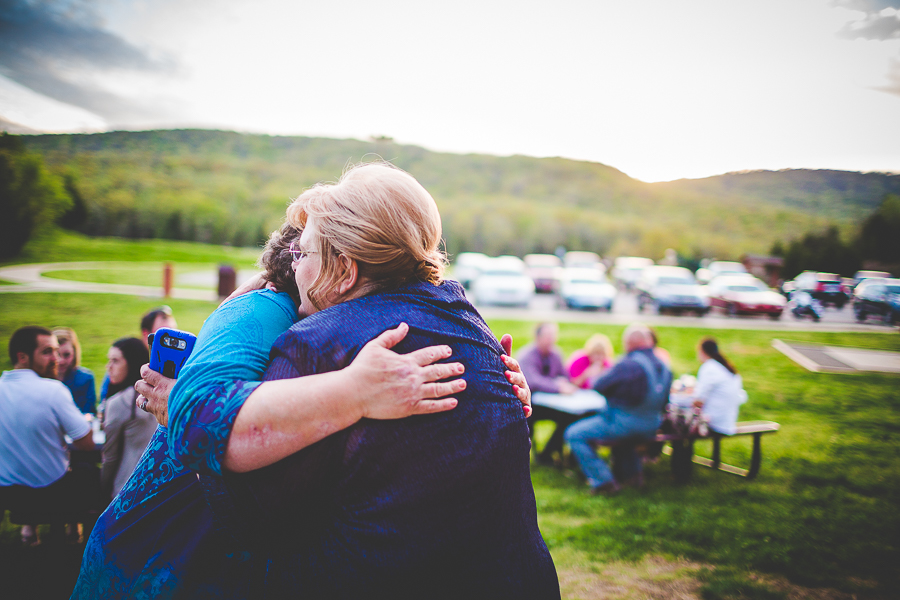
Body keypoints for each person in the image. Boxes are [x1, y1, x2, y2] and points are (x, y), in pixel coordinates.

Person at [72, 219, 531, 598]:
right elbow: (218, 433)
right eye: (306, 251)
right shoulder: (266, 315)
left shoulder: (339, 325)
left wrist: (490, 379)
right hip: (160, 550)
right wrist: (182, 407)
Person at [222, 162, 558, 598]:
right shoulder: (473, 326)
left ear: (345, 270)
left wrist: (180, 411)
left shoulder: (316, 345)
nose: (295, 269)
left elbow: (256, 524)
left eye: (303, 254)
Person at [0, 327, 96, 545]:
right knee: (88, 471)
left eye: (56, 351)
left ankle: (33, 532)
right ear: (22, 357)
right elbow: (87, 444)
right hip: (49, 491)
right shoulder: (53, 390)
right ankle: (76, 537)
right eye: (47, 352)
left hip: (7, 493)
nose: (56, 358)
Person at [564, 323, 672, 495]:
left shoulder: (629, 364)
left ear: (629, 343)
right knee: (626, 435)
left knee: (574, 434)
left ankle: (603, 481)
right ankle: (632, 476)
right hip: (652, 425)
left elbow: (599, 384)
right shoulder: (664, 365)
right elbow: (665, 400)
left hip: (624, 424)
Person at [99, 338, 157, 500]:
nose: (108, 367)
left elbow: (110, 457)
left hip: (127, 489)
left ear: (132, 363)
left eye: (115, 361)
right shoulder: (158, 393)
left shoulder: (120, 402)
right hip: (159, 483)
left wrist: (102, 491)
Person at [520, 322, 586, 465]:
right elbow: (533, 381)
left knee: (569, 417)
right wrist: (558, 387)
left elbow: (565, 377)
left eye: (553, 336)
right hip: (529, 406)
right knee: (526, 422)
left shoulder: (556, 354)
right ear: (537, 337)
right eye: (547, 336)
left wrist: (565, 383)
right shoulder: (526, 356)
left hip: (551, 404)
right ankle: (529, 457)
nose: (551, 340)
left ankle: (549, 453)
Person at [98, 306, 177, 402]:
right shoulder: (130, 357)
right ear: (146, 334)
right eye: (163, 335)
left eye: (175, 333)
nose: (171, 341)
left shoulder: (177, 366)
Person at [677, 338, 747, 435]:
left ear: (702, 351)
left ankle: (680, 450)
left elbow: (698, 400)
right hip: (729, 423)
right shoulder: (727, 368)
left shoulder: (709, 367)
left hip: (715, 424)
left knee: (676, 421)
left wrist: (680, 396)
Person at [54, 327, 97, 415]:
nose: (61, 361)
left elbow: (88, 412)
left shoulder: (85, 379)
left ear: (74, 353)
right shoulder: (40, 379)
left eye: (67, 355)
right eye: (57, 354)